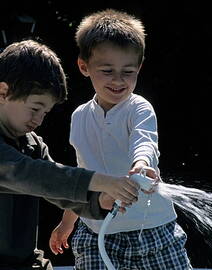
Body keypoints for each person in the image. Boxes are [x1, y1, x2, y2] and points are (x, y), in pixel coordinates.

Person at [49, 9, 193, 270]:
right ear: (84, 67)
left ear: (139, 67)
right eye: (107, 70)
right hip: (96, 231)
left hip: (152, 229)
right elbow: (83, 175)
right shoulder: (79, 117)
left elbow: (145, 141)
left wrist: (141, 164)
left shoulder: (139, 108)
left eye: (128, 71)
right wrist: (68, 222)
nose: (118, 80)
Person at [0, 39, 158, 270]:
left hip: (25, 262)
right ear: (3, 92)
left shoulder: (32, 145)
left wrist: (100, 200)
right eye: (35, 108)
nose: (39, 119)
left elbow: (61, 192)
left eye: (45, 112)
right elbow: (37, 175)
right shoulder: (16, 159)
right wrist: (105, 182)